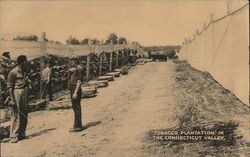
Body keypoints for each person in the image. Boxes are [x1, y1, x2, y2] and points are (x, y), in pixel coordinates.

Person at [7, 55, 29, 143]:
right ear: (21, 62)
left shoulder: (24, 71)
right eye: (25, 61)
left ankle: (21, 133)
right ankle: (13, 135)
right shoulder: (13, 72)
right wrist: (12, 100)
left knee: (24, 113)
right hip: (16, 92)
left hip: (24, 92)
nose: (26, 63)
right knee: (16, 114)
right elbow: (9, 87)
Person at [67, 58, 84, 132]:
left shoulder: (79, 69)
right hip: (72, 88)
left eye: (71, 61)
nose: (70, 62)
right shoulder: (74, 69)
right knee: (74, 106)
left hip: (75, 88)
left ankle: (78, 126)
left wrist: (75, 92)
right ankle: (76, 125)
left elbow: (79, 81)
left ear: (75, 61)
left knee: (76, 107)